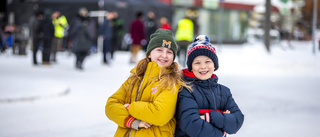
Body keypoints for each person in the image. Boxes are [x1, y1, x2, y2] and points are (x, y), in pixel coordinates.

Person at [105, 29, 190, 137]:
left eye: (169, 52)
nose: (164, 55)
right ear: (149, 54)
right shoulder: (134, 78)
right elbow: (111, 106)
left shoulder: (172, 82)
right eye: (159, 50)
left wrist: (129, 107)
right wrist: (133, 121)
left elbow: (159, 114)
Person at [175, 35, 244, 137]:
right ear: (191, 67)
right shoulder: (185, 89)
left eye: (208, 61)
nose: (203, 67)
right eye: (197, 63)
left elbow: (237, 121)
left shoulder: (224, 92)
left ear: (214, 65)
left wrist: (208, 116)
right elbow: (191, 124)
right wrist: (221, 131)